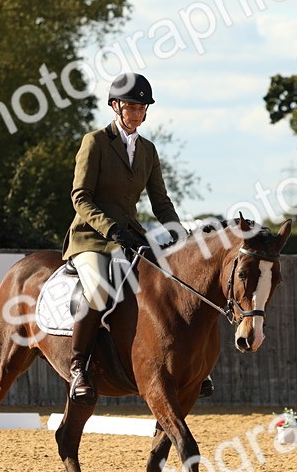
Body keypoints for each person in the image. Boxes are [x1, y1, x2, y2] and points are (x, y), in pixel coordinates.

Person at [61, 72, 205, 404]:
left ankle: (189, 365)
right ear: (115, 107)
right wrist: (111, 230)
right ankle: (79, 367)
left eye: (142, 108)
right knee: (98, 286)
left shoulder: (148, 151)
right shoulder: (94, 142)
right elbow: (81, 197)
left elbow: (161, 201)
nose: (137, 114)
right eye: (131, 107)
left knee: (172, 282)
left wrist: (179, 233)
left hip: (131, 237)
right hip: (92, 237)